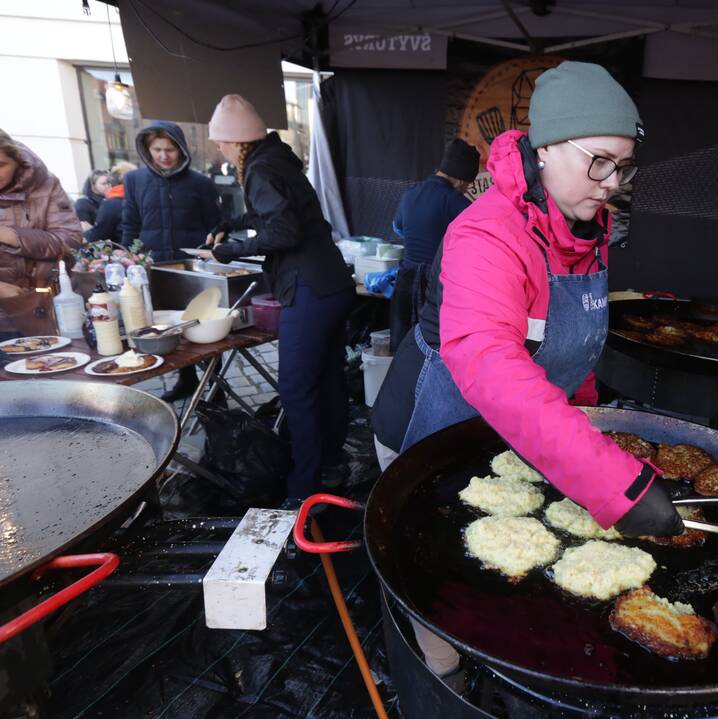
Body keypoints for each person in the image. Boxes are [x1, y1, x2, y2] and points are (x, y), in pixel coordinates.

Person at [371, 62, 681, 679]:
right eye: (599, 160)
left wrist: (593, 429)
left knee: (504, 596)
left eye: (623, 166)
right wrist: (613, 483)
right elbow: (490, 364)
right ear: (547, 148)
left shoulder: (587, 231)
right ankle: (436, 683)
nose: (611, 181)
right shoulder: (487, 234)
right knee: (441, 605)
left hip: (515, 440)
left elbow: (574, 354)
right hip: (430, 435)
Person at [199, 94, 356, 500]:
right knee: (328, 380)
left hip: (309, 289)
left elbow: (284, 232)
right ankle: (331, 465)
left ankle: (304, 487)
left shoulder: (260, 168)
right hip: (333, 282)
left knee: (297, 389)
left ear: (236, 141)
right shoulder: (278, 159)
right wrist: (231, 223)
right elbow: (278, 213)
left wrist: (230, 250)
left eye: (221, 141)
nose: (219, 148)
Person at [124, 122, 222, 401]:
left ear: (181, 150)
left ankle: (215, 387)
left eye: (170, 149)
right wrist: (131, 259)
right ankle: (186, 380)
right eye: (157, 149)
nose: (164, 155)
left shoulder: (200, 183)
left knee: (201, 325)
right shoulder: (134, 181)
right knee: (169, 329)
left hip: (191, 268)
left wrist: (211, 250)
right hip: (153, 267)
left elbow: (215, 224)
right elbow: (130, 223)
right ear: (147, 149)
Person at [388, 138, 479, 350]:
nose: (466, 190)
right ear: (460, 179)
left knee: (403, 349)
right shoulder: (457, 202)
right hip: (436, 288)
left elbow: (398, 228)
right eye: (468, 184)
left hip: (406, 282)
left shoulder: (410, 195)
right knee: (433, 351)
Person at [0, 129, 82, 331]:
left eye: (1, 165)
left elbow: (70, 240)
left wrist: (12, 236)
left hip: (48, 306)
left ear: (18, 160)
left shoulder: (45, 184)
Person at [85, 161, 137, 243]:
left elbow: (99, 235)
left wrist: (87, 231)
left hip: (124, 251)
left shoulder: (112, 203)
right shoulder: (142, 198)